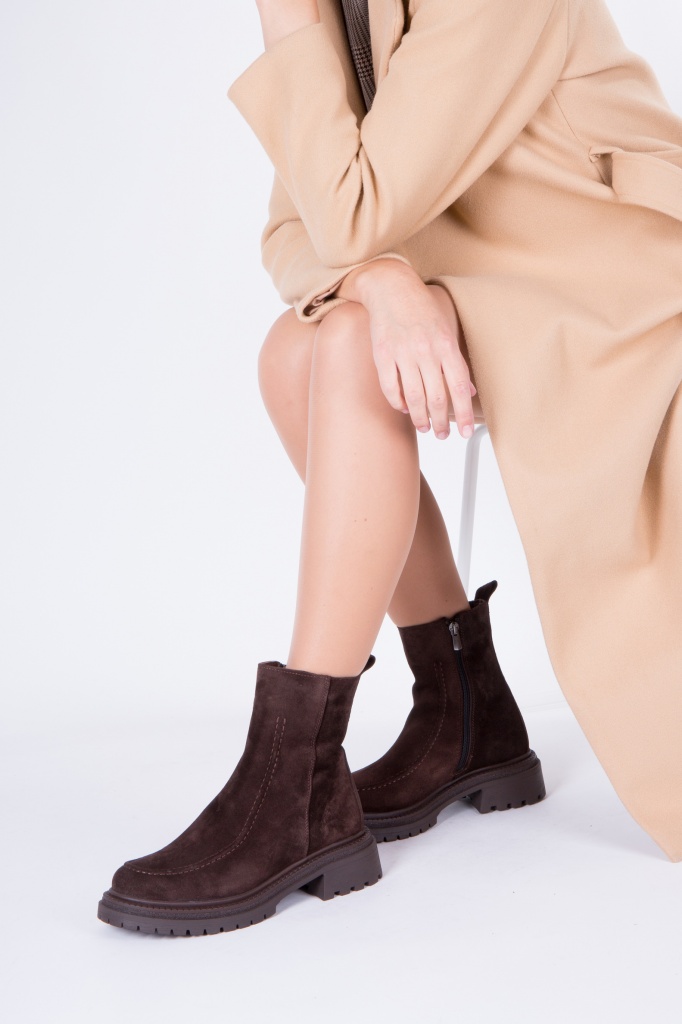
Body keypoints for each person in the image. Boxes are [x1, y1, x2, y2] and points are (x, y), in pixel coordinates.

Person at [97, 0, 682, 936]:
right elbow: (292, 232)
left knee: (346, 342)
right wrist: (380, 279)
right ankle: (464, 710)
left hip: (612, 286)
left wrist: (284, 20)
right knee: (298, 352)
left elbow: (348, 214)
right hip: (494, 280)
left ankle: (292, 784)